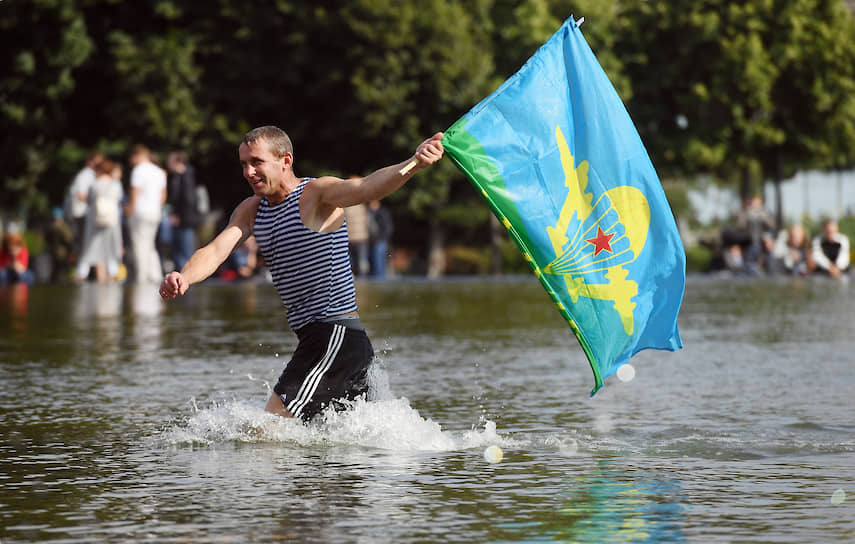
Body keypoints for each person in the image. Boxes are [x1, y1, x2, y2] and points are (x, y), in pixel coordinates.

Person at [159, 126, 444, 421]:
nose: (248, 171)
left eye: (256, 162)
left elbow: (367, 188)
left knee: (267, 428)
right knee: (338, 451)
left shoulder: (317, 194)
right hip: (326, 343)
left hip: (335, 338)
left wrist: (415, 163)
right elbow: (217, 250)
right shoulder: (252, 209)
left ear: (285, 160)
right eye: (244, 164)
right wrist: (184, 276)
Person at [75, 159, 125, 283]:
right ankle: (111, 275)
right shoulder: (115, 184)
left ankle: (99, 277)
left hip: (95, 221)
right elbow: (119, 199)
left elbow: (89, 200)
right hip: (111, 220)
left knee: (96, 248)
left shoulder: (95, 184)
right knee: (110, 248)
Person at [126, 145, 167, 283]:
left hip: (140, 212)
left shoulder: (138, 170)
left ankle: (141, 277)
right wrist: (157, 208)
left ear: (137, 155)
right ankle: (155, 276)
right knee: (150, 245)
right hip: (155, 212)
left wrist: (130, 209)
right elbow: (163, 195)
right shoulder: (159, 171)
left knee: (139, 245)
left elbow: (135, 192)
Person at [66, 152, 105, 262]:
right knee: (83, 242)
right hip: (81, 213)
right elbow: (81, 195)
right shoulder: (86, 175)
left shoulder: (91, 175)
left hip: (84, 213)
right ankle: (80, 270)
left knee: (84, 243)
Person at [166, 151, 200, 271]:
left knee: (184, 250)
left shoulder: (186, 176)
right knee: (179, 250)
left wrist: (179, 216)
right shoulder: (180, 176)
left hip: (185, 220)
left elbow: (188, 199)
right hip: (182, 219)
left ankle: (187, 276)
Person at [367, 199, 394, 278]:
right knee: (375, 263)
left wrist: (380, 238)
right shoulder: (370, 213)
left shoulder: (382, 213)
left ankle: (379, 280)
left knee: (378, 263)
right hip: (373, 242)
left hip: (380, 241)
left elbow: (388, 228)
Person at [344, 197, 370, 276]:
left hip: (350, 238)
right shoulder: (363, 207)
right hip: (361, 238)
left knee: (349, 263)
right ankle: (363, 278)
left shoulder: (345, 208)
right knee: (361, 262)